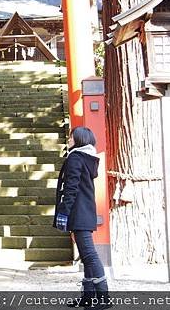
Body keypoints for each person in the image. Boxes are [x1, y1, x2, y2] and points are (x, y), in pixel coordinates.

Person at [53, 126, 112, 310]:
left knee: (90, 255)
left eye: (71, 137)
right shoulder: (87, 158)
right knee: (87, 257)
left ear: (78, 140)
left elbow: (71, 188)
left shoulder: (75, 158)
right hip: (85, 212)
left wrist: (64, 212)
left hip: (78, 213)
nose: (69, 140)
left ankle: (104, 298)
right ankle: (88, 297)